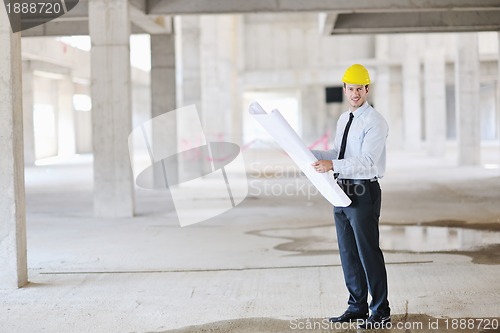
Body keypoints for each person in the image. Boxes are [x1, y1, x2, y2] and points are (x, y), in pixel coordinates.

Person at [311, 64, 391, 329]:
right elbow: (339, 151)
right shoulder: (344, 119)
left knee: (367, 251)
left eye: (359, 88)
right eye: (350, 88)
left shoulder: (375, 121)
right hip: (341, 189)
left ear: (367, 89)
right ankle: (357, 306)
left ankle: (381, 310)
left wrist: (333, 165)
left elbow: (367, 161)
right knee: (348, 252)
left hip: (363, 190)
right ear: (344, 89)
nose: (355, 93)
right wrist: (315, 155)